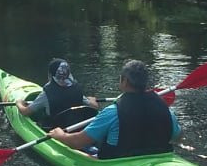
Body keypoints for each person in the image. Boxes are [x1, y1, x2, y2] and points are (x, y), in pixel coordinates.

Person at [49, 59, 181, 159]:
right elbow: (177, 136)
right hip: (158, 159)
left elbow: (77, 142)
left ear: (124, 81)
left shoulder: (113, 112)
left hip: (118, 162)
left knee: (90, 145)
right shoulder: (166, 110)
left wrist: (61, 136)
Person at [16, 58, 99, 129]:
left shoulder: (46, 94)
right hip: (78, 126)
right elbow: (94, 107)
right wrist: (92, 100)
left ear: (51, 74)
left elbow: (25, 112)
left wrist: (19, 103)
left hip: (57, 129)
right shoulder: (76, 88)